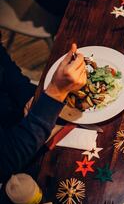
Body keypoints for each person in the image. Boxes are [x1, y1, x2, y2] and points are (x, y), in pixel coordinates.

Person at [0, 41, 86, 183]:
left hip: (31, 115)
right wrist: (56, 91)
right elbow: (5, 161)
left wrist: (31, 98)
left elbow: (5, 70)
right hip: (18, 159)